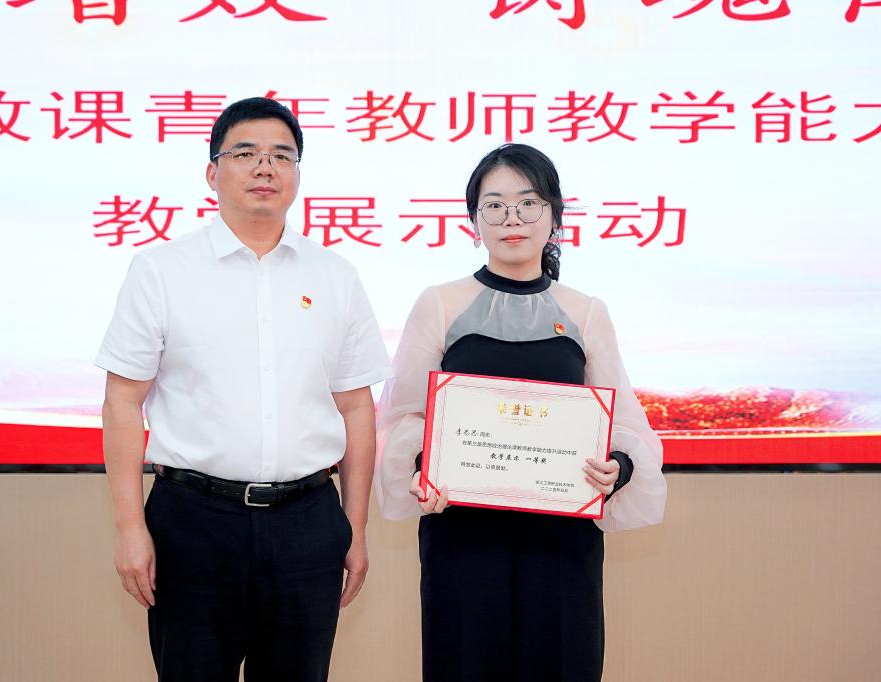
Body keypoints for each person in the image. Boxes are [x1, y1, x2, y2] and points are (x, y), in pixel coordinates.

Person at [96, 97, 391, 682]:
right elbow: (122, 402)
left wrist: (354, 529)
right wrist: (131, 530)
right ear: (212, 173)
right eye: (246, 153)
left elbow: (357, 408)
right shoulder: (161, 271)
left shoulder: (335, 276)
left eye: (282, 156)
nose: (265, 167)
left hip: (307, 523)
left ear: (297, 174)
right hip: (193, 523)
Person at [375, 143, 667, 682]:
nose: (512, 219)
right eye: (495, 205)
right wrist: (420, 467)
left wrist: (618, 467)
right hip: (463, 537)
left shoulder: (585, 311)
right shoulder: (440, 302)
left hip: (560, 545)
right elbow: (404, 416)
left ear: (555, 215)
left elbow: (623, 423)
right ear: (474, 221)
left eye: (529, 203)